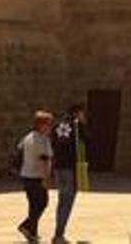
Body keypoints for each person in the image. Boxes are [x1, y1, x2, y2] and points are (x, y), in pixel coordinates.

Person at [51, 104, 88, 243]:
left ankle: (58, 232)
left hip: (58, 168)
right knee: (67, 202)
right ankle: (58, 234)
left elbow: (53, 143)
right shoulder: (77, 126)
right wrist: (83, 125)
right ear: (77, 113)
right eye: (82, 114)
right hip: (70, 169)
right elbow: (87, 141)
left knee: (62, 201)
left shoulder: (57, 125)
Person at [18, 111, 54, 242]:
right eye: (48, 124)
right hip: (36, 177)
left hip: (26, 175)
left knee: (33, 205)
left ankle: (32, 232)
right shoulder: (41, 139)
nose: (50, 127)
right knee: (42, 203)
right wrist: (46, 179)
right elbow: (43, 160)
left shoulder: (27, 137)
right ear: (41, 125)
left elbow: (20, 149)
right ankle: (25, 226)